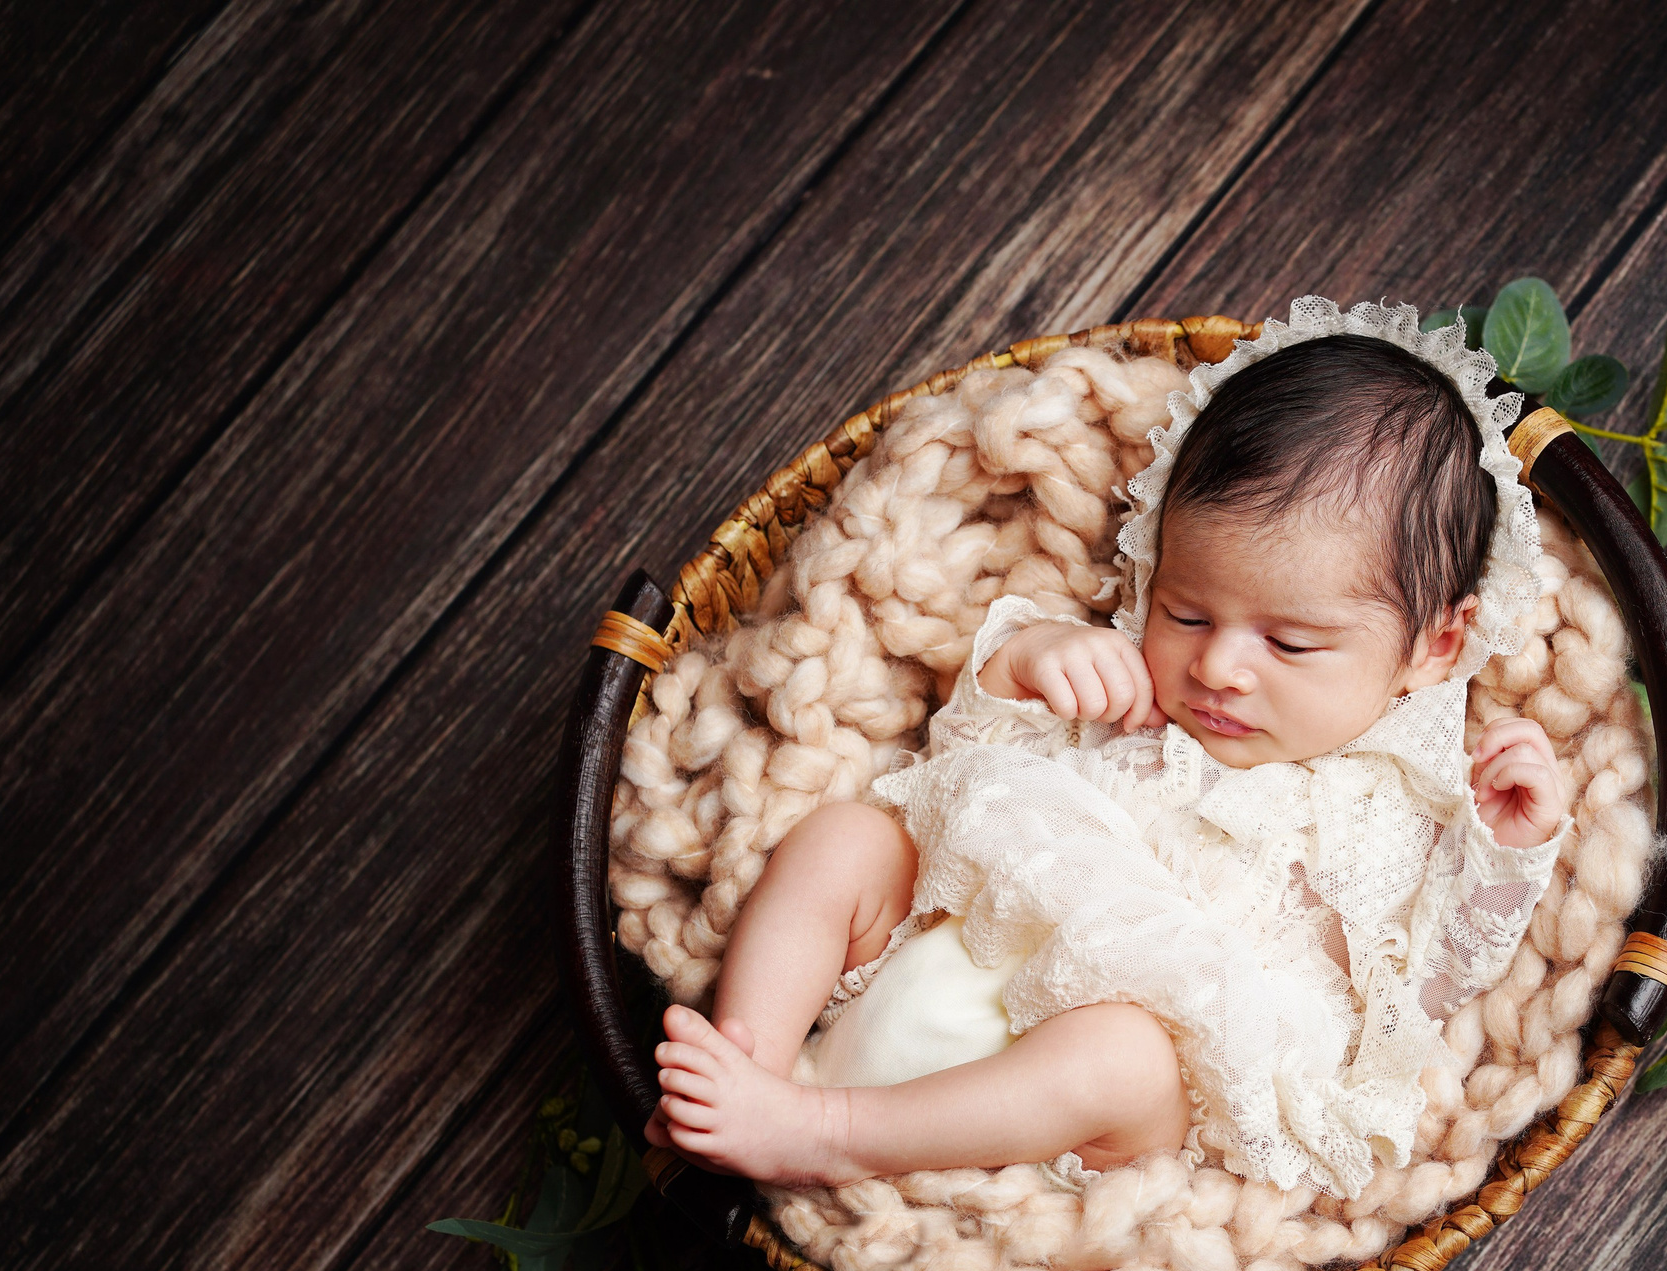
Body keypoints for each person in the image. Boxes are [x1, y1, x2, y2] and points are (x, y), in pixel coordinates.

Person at [646, 311, 1570, 1201]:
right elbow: (960, 779)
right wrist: (1024, 664)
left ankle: (832, 1136)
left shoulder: (1403, 804)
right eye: (1187, 611)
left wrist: (1504, 853)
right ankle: (742, 1073)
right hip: (944, 951)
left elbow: (1431, 983)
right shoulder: (1129, 689)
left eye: (1288, 645)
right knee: (849, 838)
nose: (1216, 666)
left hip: (1104, 1090)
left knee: (1120, 1059)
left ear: (1434, 648)